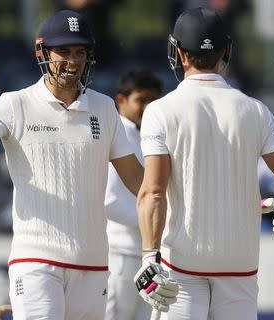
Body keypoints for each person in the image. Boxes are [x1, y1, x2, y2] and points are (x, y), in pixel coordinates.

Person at [0, 10, 144, 320]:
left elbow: (139, 183)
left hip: (93, 266)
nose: (73, 60)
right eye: (63, 51)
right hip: (36, 261)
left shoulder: (104, 108)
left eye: (80, 52)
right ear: (42, 52)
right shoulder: (15, 104)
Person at [134, 7, 274, 320]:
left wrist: (149, 256)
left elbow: (153, 192)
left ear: (178, 53)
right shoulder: (256, 111)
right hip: (239, 265)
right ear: (226, 51)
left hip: (182, 265)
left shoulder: (160, 111)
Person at [104, 69, 162, 320]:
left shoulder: (143, 136)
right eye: (142, 99)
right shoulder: (118, 135)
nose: (148, 107)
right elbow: (110, 202)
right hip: (120, 254)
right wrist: (157, 220)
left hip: (145, 254)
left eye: (153, 100)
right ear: (121, 101)